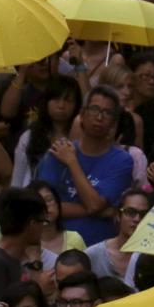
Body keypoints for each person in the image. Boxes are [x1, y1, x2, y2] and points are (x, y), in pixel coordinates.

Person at [36, 85, 132, 246]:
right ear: (82, 114)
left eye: (107, 112)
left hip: (100, 247)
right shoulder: (58, 153)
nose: (99, 117)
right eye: (94, 109)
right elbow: (43, 207)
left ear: (114, 122)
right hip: (56, 246)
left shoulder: (122, 161)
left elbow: (94, 204)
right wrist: (96, 210)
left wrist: (72, 162)